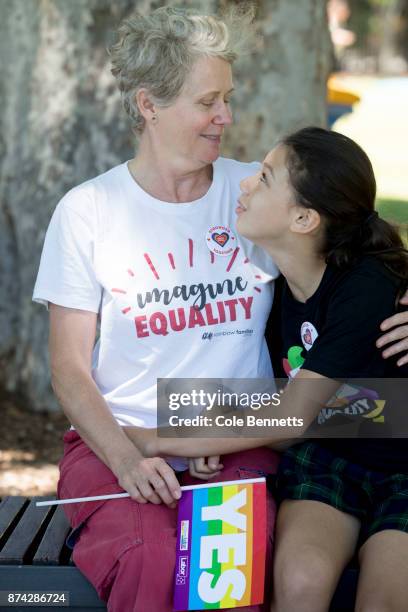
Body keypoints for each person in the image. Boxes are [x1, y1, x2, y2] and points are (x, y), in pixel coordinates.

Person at [32, 5, 408, 612]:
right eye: (208, 102)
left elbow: (357, 248)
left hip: (240, 427)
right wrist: (131, 455)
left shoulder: (254, 198)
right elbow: (68, 369)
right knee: (150, 562)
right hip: (121, 434)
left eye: (227, 98)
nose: (226, 118)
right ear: (150, 103)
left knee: (220, 571)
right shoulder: (88, 211)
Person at [152, 127, 408, 612]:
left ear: (304, 218)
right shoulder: (269, 290)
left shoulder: (369, 287)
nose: (245, 184)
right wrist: (222, 439)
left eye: (264, 178)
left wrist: (161, 435)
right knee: (299, 582)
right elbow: (292, 420)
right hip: (331, 460)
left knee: (384, 601)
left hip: (403, 469)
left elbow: (292, 413)